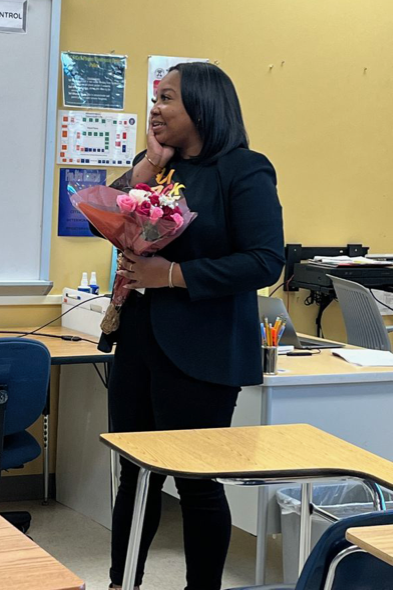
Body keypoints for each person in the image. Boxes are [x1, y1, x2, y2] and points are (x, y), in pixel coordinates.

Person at [100, 62, 284, 590]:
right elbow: (113, 218)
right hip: (139, 341)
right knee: (134, 475)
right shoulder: (158, 168)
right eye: (154, 98)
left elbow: (264, 260)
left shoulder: (244, 169)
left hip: (204, 350)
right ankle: (122, 582)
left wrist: (173, 274)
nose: (154, 109)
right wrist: (146, 167)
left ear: (203, 106)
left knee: (196, 481)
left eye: (167, 99)